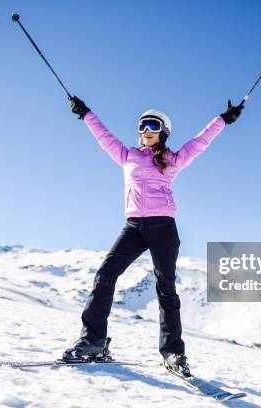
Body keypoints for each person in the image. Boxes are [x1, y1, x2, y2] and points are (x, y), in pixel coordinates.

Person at [62, 95, 244, 376]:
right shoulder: (127, 156)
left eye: (152, 125)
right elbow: (103, 136)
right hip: (134, 226)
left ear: (163, 131)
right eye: (142, 125)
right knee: (105, 274)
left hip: (163, 227)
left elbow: (199, 142)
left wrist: (222, 119)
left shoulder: (172, 160)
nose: (146, 130)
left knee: (166, 288)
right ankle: (93, 341)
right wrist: (85, 113)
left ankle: (173, 353)